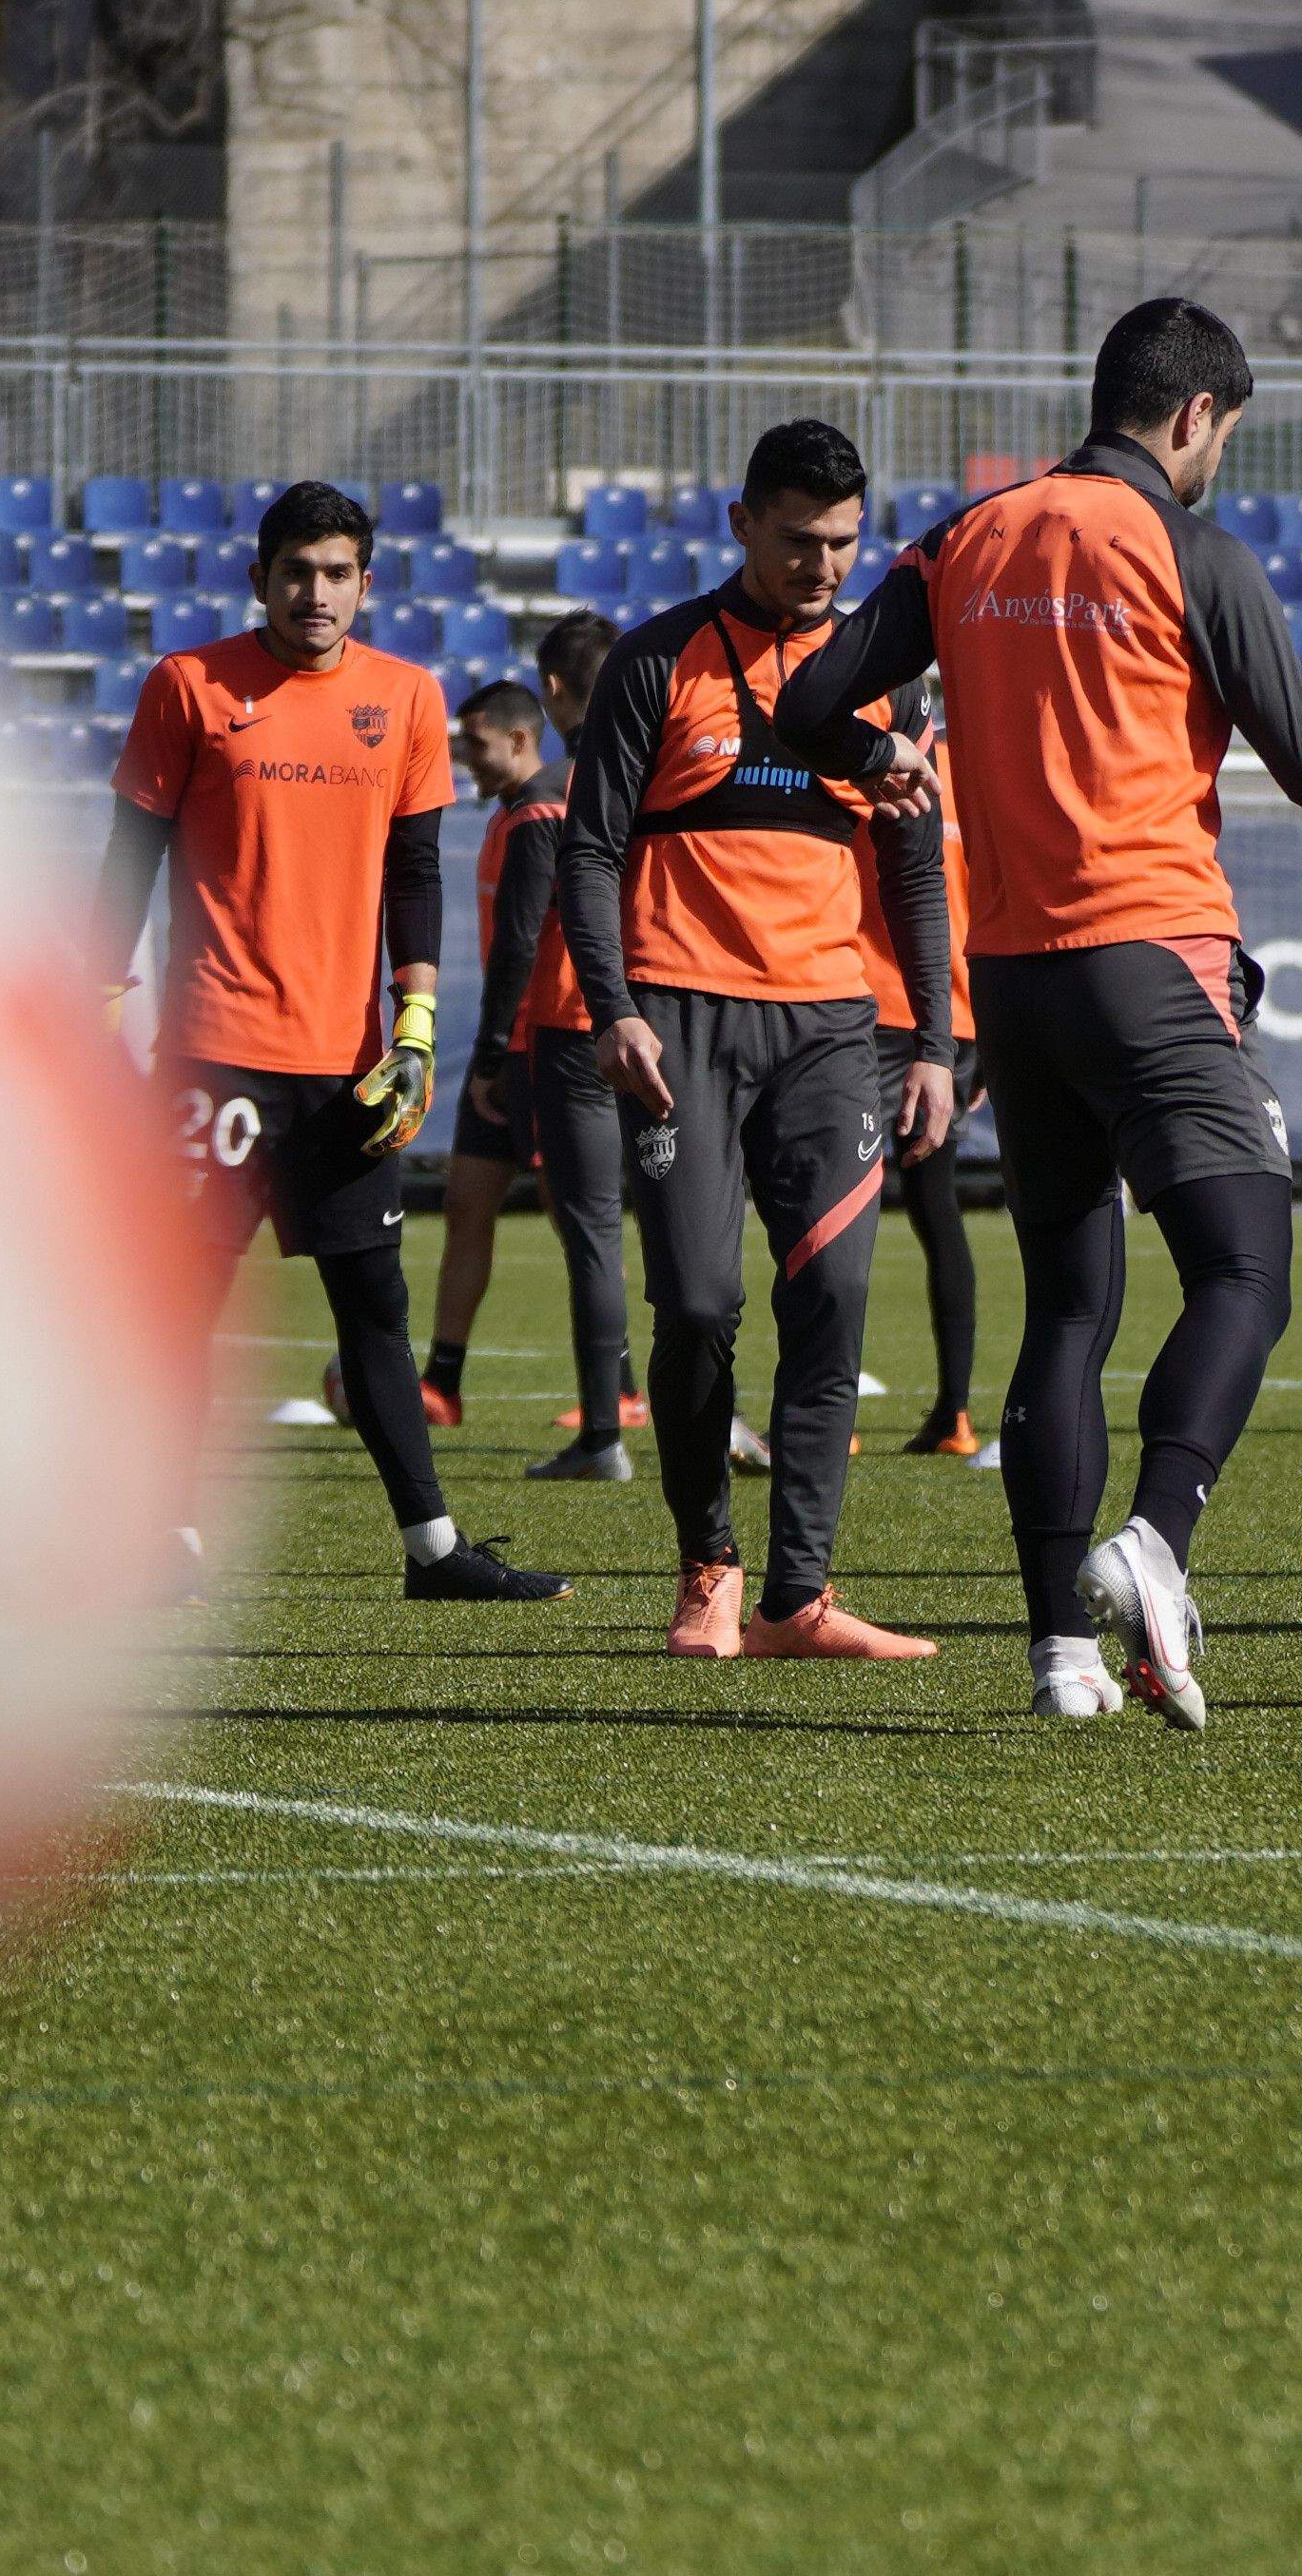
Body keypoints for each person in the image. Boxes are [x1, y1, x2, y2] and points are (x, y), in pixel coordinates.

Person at [762, 297, 1302, 1727]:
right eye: (1225, 433)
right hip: (1152, 958)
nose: (1220, 458)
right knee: (1245, 1269)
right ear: (1195, 415)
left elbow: (809, 697)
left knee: (1070, 1305)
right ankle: (1156, 1539)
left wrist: (886, 756)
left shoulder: (967, 536)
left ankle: (1062, 1658)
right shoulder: (1194, 550)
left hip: (1015, 981)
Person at [101, 483, 559, 1603]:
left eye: (338, 572)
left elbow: (414, 871)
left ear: (366, 582)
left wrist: (416, 1025)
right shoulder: (188, 685)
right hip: (215, 1051)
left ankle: (433, 1551)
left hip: (350, 1065)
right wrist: (101, 997)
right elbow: (129, 856)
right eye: (297, 571)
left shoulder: (406, 697)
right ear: (259, 577)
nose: (317, 592)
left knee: (376, 1310)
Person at [558, 420, 954, 1662]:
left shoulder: (887, 680)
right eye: (797, 540)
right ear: (741, 525)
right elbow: (589, 849)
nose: (822, 566)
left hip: (832, 1029)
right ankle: (709, 1566)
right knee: (697, 1304)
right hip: (679, 1020)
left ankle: (798, 1597)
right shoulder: (657, 660)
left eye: (842, 543)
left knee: (832, 1295)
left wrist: (937, 1044)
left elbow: (917, 872)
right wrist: (614, 1007)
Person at [418, 677, 635, 1467]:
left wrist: (488, 1056)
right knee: (465, 1200)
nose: (465, 760)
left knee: (580, 1221)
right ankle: (442, 1381)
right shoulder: (510, 813)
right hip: (514, 1043)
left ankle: (617, 1404)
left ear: (519, 738)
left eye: (475, 744)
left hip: (545, 1040)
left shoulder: (544, 811)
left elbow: (518, 946)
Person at [857, 695, 988, 1462]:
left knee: (840, 1212)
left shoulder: (867, 764)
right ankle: (954, 1414)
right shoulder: (978, 779)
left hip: (872, 1005)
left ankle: (829, 1411)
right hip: (955, 1018)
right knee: (937, 1212)